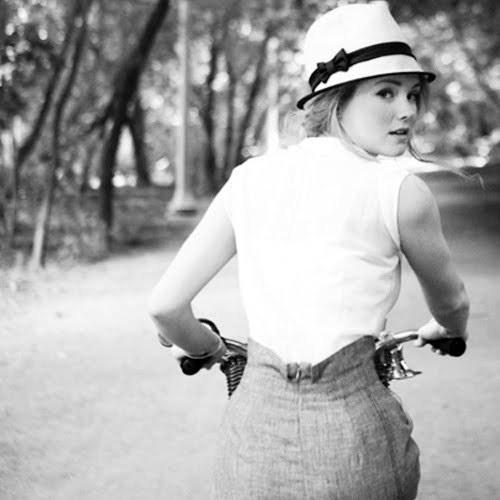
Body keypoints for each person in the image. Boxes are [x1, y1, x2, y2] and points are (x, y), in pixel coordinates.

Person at [149, 2, 469, 499]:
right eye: (386, 92)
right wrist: (447, 329)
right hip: (356, 440)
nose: (407, 109)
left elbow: (166, 306)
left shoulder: (248, 180)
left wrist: (209, 350)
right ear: (335, 99)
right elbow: (452, 304)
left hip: (251, 443)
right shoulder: (400, 193)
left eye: (411, 93)